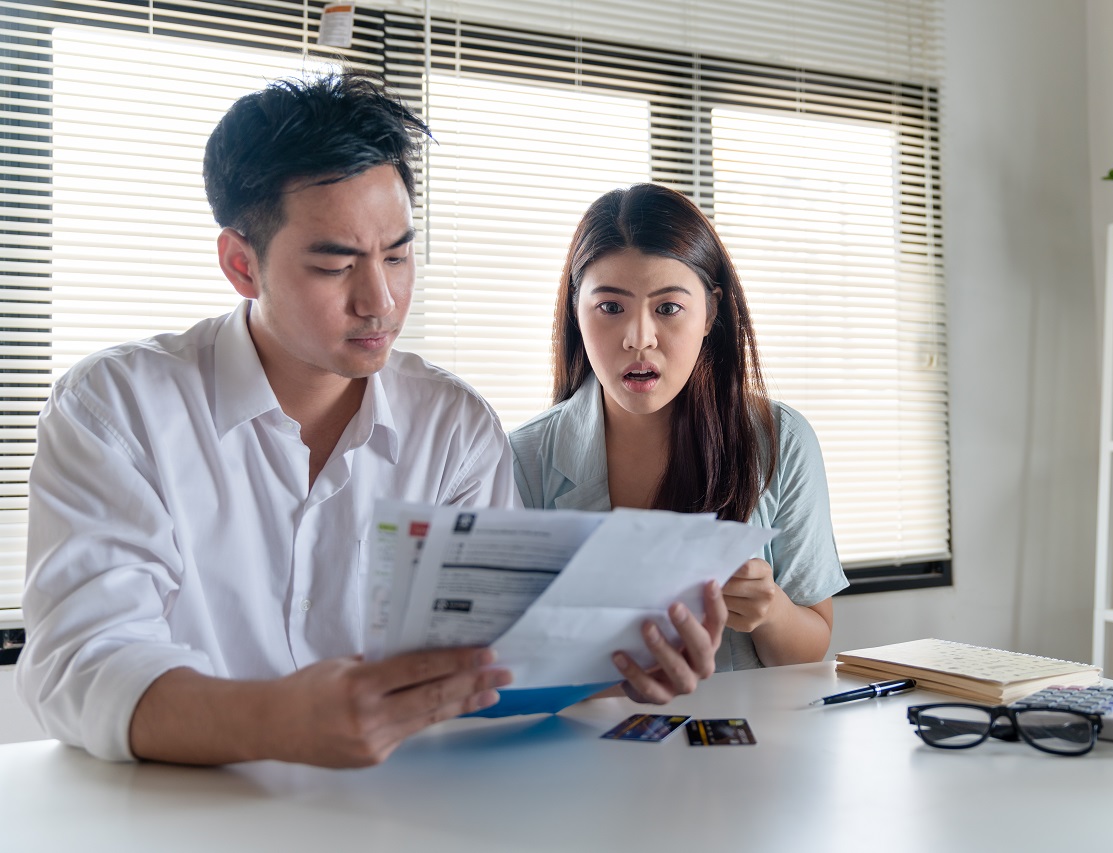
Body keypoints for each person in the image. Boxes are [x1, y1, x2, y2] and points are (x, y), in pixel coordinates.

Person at [16, 74, 723, 768]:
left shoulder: (454, 427)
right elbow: (83, 660)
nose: (379, 299)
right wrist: (279, 721)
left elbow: (487, 661)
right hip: (182, 817)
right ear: (241, 263)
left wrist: (621, 666)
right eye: (335, 264)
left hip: (405, 813)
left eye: (398, 254)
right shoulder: (117, 407)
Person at [510, 183, 849, 673]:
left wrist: (770, 609)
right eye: (610, 307)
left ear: (710, 312)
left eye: (668, 308)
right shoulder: (523, 458)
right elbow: (511, 659)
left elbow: (810, 648)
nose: (638, 338)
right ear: (575, 312)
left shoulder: (780, 439)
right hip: (585, 741)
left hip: (742, 742)